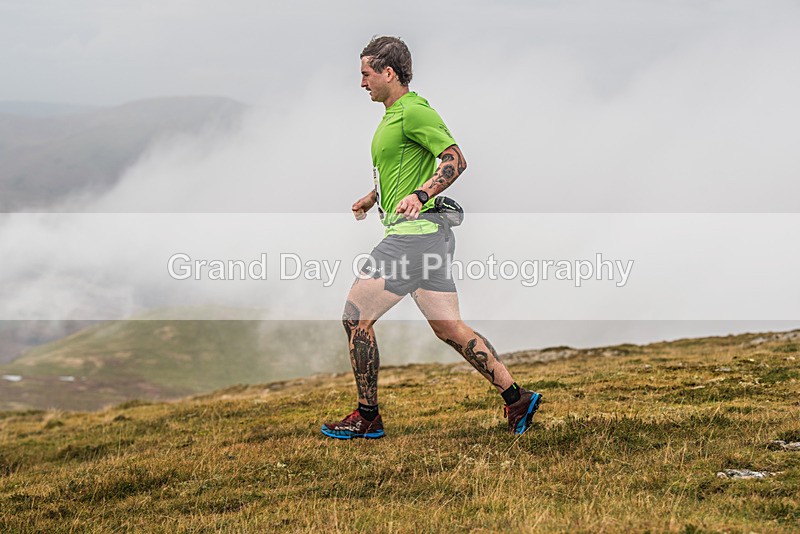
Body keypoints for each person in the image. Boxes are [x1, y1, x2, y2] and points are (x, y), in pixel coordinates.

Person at [321, 36, 542, 440]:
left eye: (366, 74)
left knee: (355, 318)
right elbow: (404, 170)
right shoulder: (392, 116)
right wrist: (376, 198)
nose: (362, 83)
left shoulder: (413, 110)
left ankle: (367, 416)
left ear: (389, 73)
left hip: (413, 238)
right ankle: (517, 398)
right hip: (428, 238)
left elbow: (455, 158)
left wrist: (421, 195)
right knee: (449, 327)